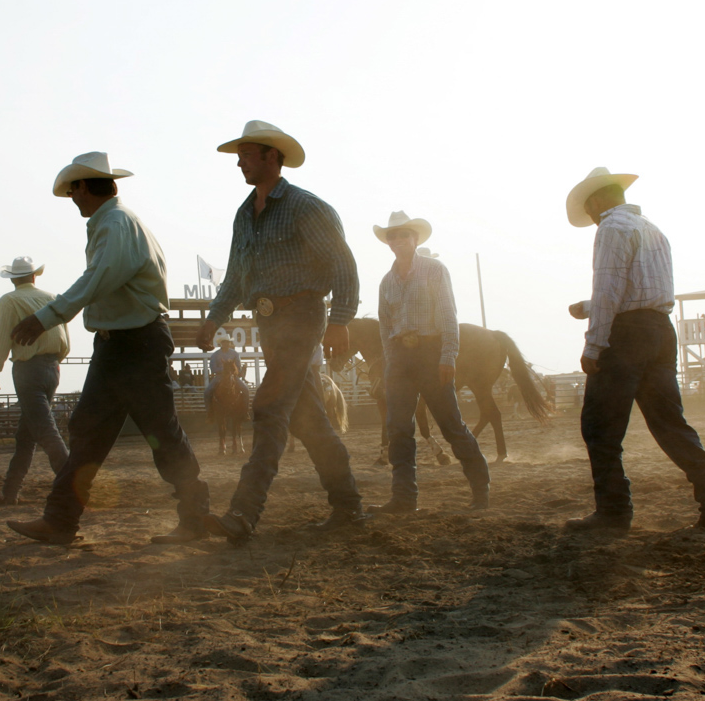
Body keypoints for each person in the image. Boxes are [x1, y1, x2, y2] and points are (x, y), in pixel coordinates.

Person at [6, 152, 209, 545]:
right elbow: (101, 281)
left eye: (72, 190)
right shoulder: (119, 223)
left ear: (84, 186)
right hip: (122, 344)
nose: (71, 198)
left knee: (154, 433)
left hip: (133, 343)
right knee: (92, 431)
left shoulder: (115, 226)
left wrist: (48, 316)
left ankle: (194, 516)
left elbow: (96, 280)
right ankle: (61, 519)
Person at [195, 120, 366, 544]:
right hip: (270, 323)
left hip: (303, 316)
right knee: (309, 422)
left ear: (274, 157)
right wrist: (215, 317)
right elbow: (235, 277)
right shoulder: (243, 214)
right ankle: (349, 507)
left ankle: (244, 512)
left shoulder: (307, 207)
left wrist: (341, 318)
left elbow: (343, 264)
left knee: (270, 409)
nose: (240, 163)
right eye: (239, 157)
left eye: (247, 155)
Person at [565, 167, 705, 532]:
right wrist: (588, 306)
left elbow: (612, 290)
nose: (593, 219)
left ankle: (614, 511)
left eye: (591, 211)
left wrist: (594, 344)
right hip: (660, 331)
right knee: (670, 424)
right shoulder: (653, 231)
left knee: (600, 427)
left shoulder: (611, 229)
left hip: (626, 337)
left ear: (596, 201)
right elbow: (639, 293)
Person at [371, 211, 491, 513]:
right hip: (399, 356)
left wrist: (448, 354)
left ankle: (480, 489)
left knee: (451, 425)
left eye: (404, 235)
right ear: (388, 243)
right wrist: (390, 361)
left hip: (430, 352)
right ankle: (403, 497)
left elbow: (448, 314)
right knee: (398, 427)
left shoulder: (435, 270)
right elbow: (385, 326)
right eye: (393, 236)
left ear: (415, 239)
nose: (399, 241)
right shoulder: (386, 282)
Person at [0, 256, 71, 505]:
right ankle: (9, 492)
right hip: (52, 367)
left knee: (45, 431)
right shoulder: (51, 298)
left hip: (27, 369)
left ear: (13, 278)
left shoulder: (10, 301)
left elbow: (1, 339)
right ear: (35, 276)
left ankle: (73, 490)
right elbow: (64, 338)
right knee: (27, 434)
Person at [204, 330, 243, 419]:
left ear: (229, 343)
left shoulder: (235, 354)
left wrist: (232, 371)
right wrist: (225, 370)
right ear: (221, 343)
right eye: (224, 342)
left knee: (246, 390)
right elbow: (213, 368)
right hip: (219, 376)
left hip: (233, 376)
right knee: (207, 392)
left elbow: (239, 367)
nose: (226, 344)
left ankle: (245, 412)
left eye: (228, 342)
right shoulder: (215, 355)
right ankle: (209, 413)